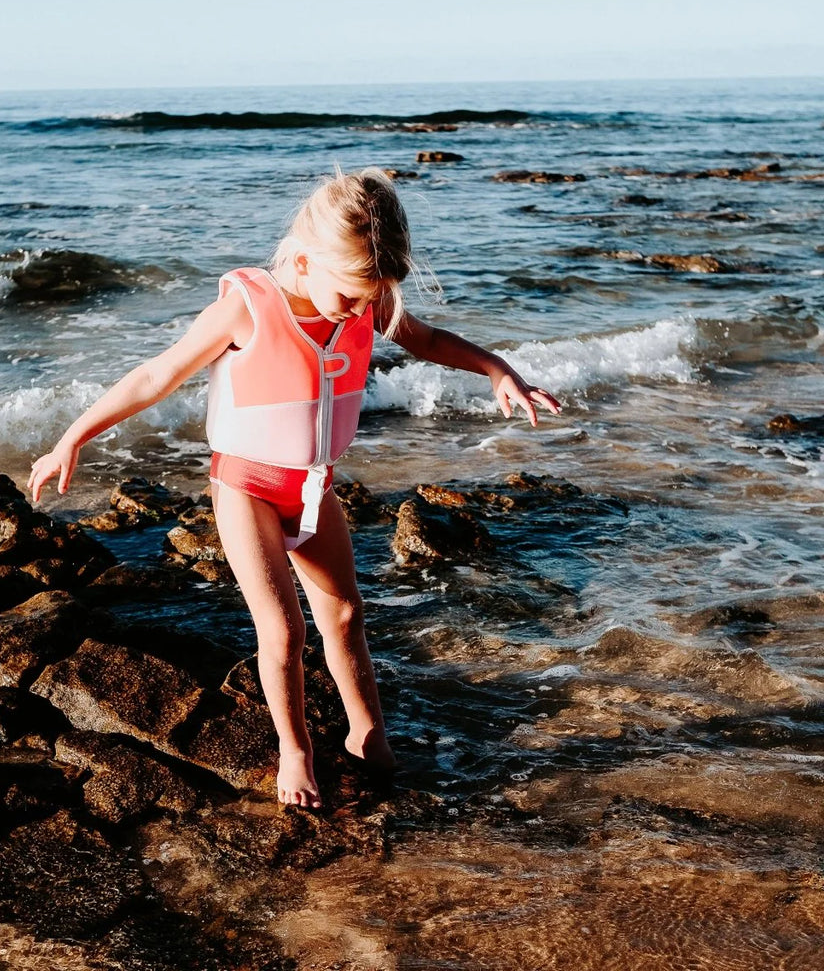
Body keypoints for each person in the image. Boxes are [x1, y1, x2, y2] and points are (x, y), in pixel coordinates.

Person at [28, 168, 561, 810]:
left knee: (344, 614)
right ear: (305, 261)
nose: (363, 311)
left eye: (372, 298)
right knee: (283, 632)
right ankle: (295, 749)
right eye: (351, 296)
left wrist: (498, 371)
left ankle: (368, 737)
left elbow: (429, 340)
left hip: (314, 487)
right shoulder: (247, 307)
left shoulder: (369, 297)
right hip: (246, 487)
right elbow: (155, 375)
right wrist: (73, 438)